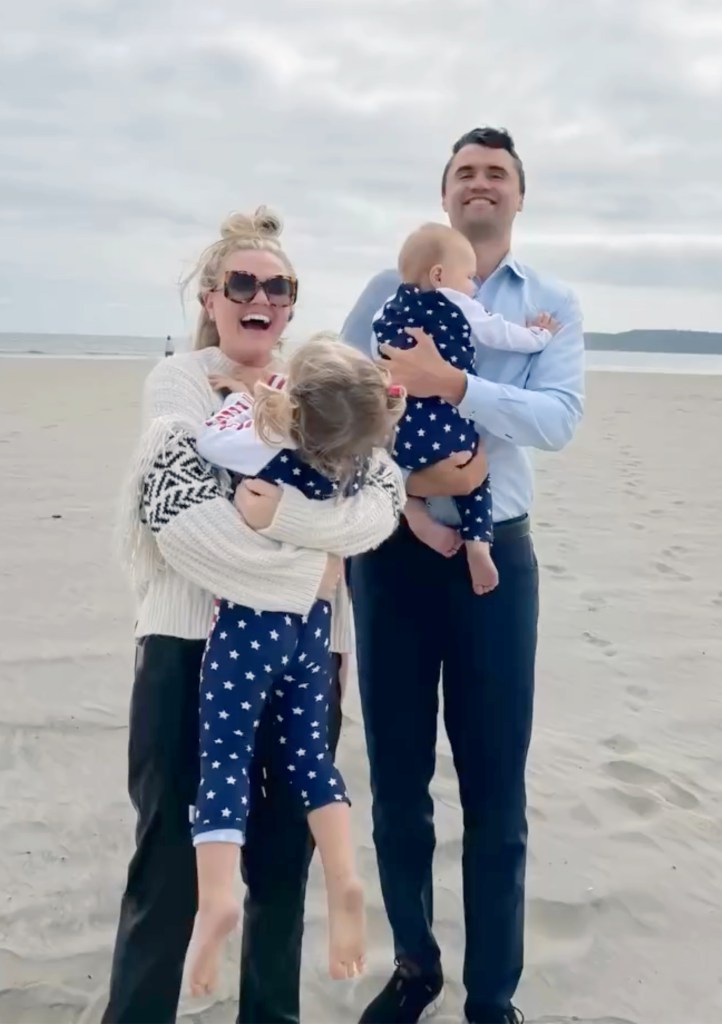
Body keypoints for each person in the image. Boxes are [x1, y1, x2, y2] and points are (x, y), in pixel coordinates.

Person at [104, 206, 405, 1024]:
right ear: (211, 296)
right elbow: (184, 529)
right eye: (242, 282)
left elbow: (382, 502)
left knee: (281, 863)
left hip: (311, 654)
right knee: (169, 865)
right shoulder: (180, 383)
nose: (260, 297)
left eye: (280, 286)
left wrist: (276, 523)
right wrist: (316, 560)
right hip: (185, 645)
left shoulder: (319, 382)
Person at [342, 128, 585, 1024]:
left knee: (495, 789)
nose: (480, 184)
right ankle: (414, 969)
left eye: (497, 174)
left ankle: (493, 997)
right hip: (391, 557)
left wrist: (455, 384)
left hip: (496, 564)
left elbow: (558, 420)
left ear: (519, 197)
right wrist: (411, 482)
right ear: (445, 196)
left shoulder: (548, 305)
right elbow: (334, 407)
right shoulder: (385, 291)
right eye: (465, 173)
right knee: (399, 783)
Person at [185, 335, 406, 994]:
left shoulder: (264, 443)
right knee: (310, 758)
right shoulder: (358, 460)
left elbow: (209, 440)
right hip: (311, 630)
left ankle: (216, 897)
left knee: (223, 757)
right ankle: (343, 877)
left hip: (251, 621)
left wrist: (255, 402)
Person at [372, 220, 558, 594]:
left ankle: (416, 514)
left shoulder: (388, 306)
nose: (473, 286)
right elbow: (499, 333)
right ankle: (478, 545)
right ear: (440, 275)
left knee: (400, 464)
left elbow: (377, 350)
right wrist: (540, 335)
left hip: (402, 423)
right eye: (469, 277)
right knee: (473, 475)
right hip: (445, 421)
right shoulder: (458, 302)